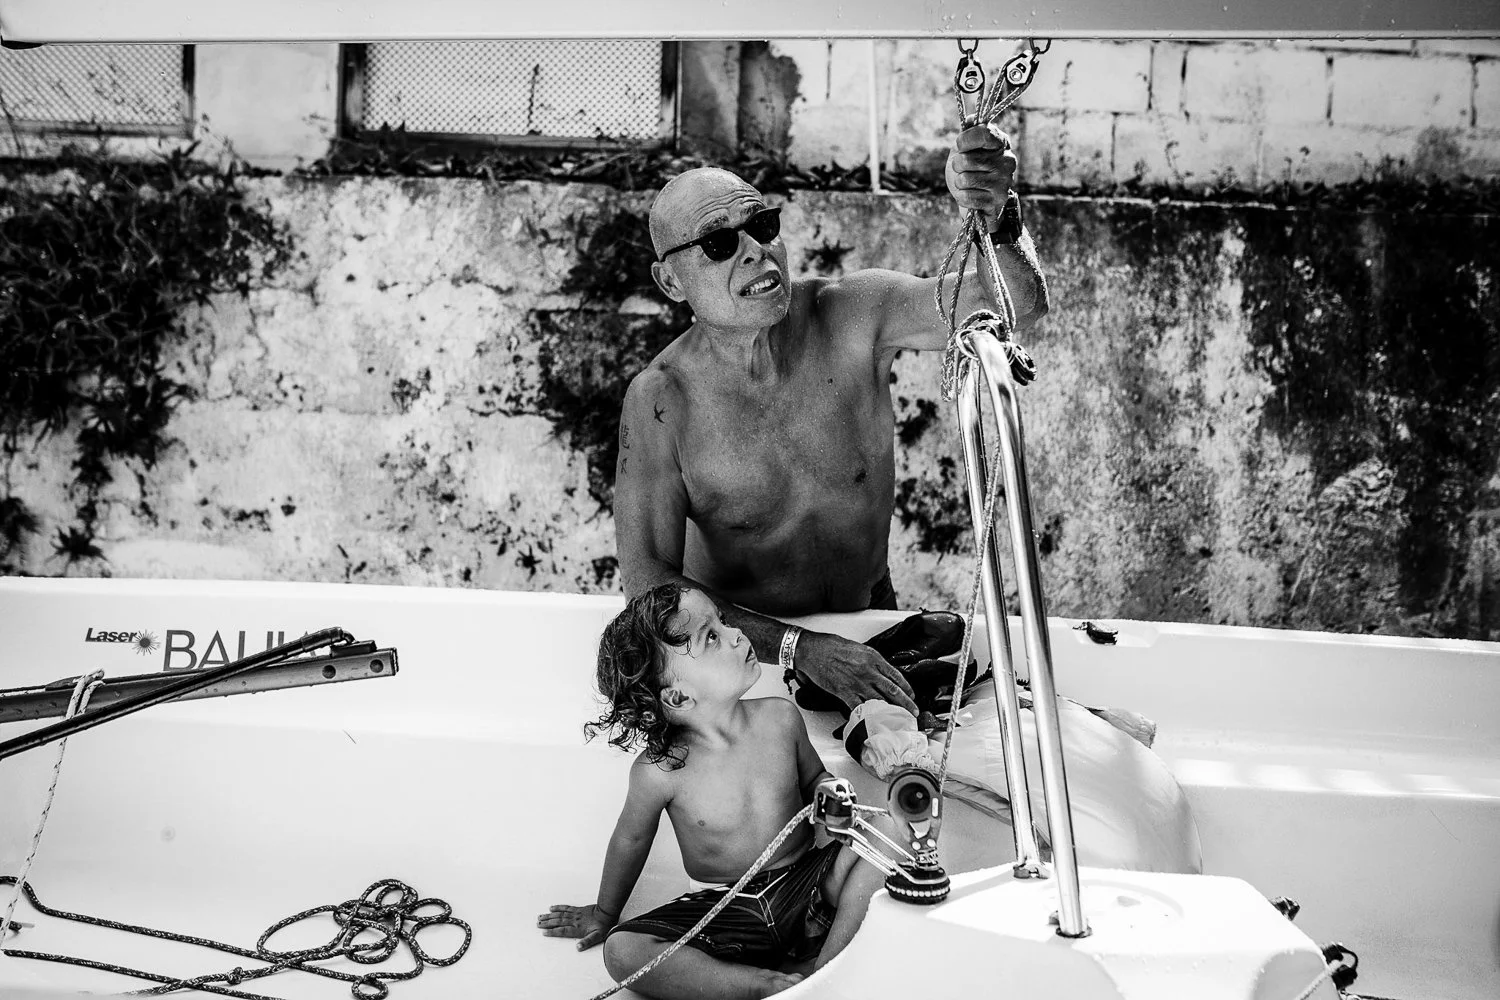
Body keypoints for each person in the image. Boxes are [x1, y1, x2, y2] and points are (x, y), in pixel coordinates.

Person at [613, 124, 1049, 717]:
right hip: (747, 667)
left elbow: (1015, 302)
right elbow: (648, 582)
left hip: (870, 629)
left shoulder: (852, 316)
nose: (755, 251)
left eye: (762, 226)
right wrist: (801, 649)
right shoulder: (662, 401)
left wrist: (998, 216)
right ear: (671, 281)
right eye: (718, 244)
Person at [537, 584, 890, 998]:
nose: (736, 634)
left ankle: (828, 970)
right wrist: (605, 912)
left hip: (806, 887)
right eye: (712, 637)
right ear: (679, 696)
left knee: (886, 831)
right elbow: (630, 840)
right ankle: (761, 984)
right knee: (622, 951)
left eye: (723, 622)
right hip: (726, 909)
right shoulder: (660, 771)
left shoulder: (780, 718)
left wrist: (832, 795)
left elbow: (815, 779)